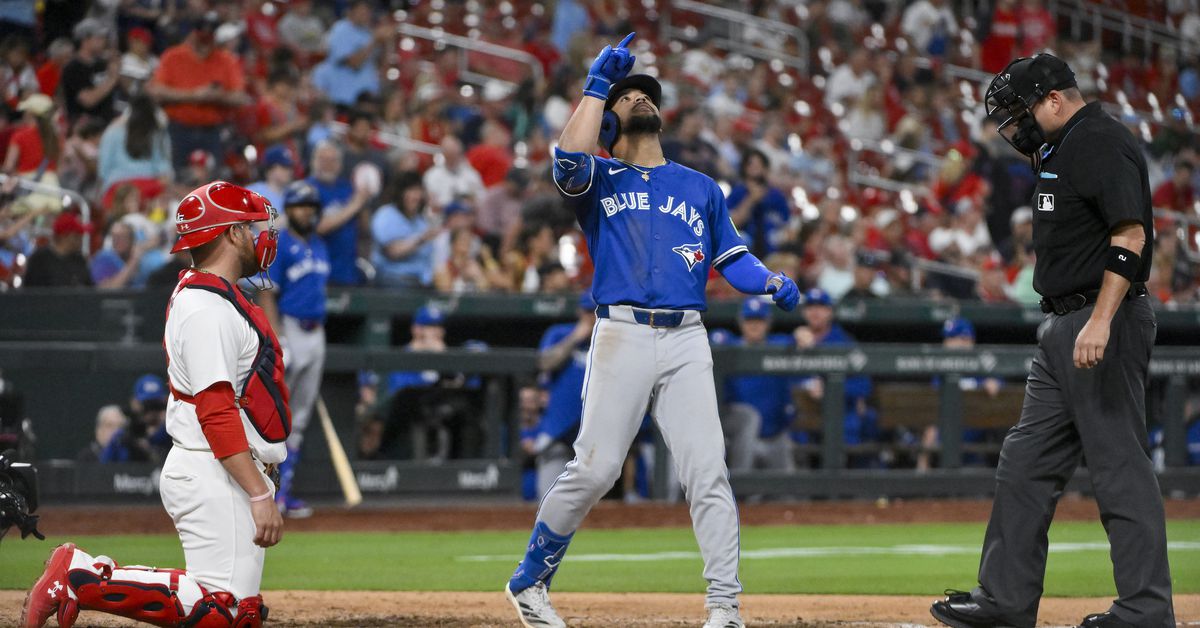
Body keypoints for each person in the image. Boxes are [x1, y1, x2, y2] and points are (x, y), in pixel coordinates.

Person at [504, 33, 799, 628]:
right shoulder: (600, 179)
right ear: (608, 121)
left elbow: (731, 259)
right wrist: (594, 88)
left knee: (708, 470)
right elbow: (564, 160)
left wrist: (768, 279)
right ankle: (530, 581)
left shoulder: (699, 186)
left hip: (688, 336)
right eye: (628, 96)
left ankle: (725, 607)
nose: (640, 98)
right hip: (623, 333)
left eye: (645, 94)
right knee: (596, 467)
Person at [931, 53, 1173, 628]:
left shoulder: (1100, 141)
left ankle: (1145, 609)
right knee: (1025, 462)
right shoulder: (1062, 149)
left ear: (1055, 99)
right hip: (1062, 325)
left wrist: (1102, 319)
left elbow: (1131, 232)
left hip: (1099, 320)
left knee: (1118, 466)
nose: (1016, 126)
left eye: (1022, 111)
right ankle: (1005, 602)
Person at [20, 181, 287, 627]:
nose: (262, 236)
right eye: (252, 226)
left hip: (223, 466)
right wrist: (258, 490)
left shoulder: (215, 296)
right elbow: (216, 409)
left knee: (235, 611)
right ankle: (79, 576)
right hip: (213, 469)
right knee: (222, 611)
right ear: (230, 234)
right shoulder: (208, 309)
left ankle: (80, 575)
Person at [259, 181, 330, 519]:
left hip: (316, 332)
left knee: (299, 419)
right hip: (289, 328)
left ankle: (283, 495)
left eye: (311, 207)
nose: (308, 212)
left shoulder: (318, 244)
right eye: (301, 206)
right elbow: (267, 292)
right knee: (275, 416)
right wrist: (276, 336)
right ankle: (263, 494)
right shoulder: (281, 244)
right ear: (289, 209)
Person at [148, 12, 249, 170]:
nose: (205, 40)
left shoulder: (226, 60)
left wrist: (217, 96)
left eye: (209, 36)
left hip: (212, 131)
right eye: (202, 35)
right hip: (178, 129)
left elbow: (240, 97)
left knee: (212, 183)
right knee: (178, 175)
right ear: (193, 33)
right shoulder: (173, 56)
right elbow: (156, 92)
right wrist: (193, 95)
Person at [716, 297, 798, 472]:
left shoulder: (781, 345)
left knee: (789, 495)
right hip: (739, 441)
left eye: (759, 320)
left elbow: (801, 341)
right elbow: (714, 340)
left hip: (776, 437)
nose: (754, 325)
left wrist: (803, 336)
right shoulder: (729, 347)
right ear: (740, 322)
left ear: (768, 322)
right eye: (749, 320)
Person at [527, 292, 596, 499]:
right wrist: (576, 337)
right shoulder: (560, 333)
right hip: (559, 428)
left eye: (595, 312)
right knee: (548, 495)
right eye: (587, 312)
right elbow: (544, 363)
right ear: (579, 312)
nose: (591, 317)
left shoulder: (612, 339)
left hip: (595, 430)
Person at [22, 212, 93, 288]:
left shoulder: (79, 260)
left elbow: (88, 289)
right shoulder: (39, 260)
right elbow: (30, 293)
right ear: (65, 236)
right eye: (77, 236)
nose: (81, 239)